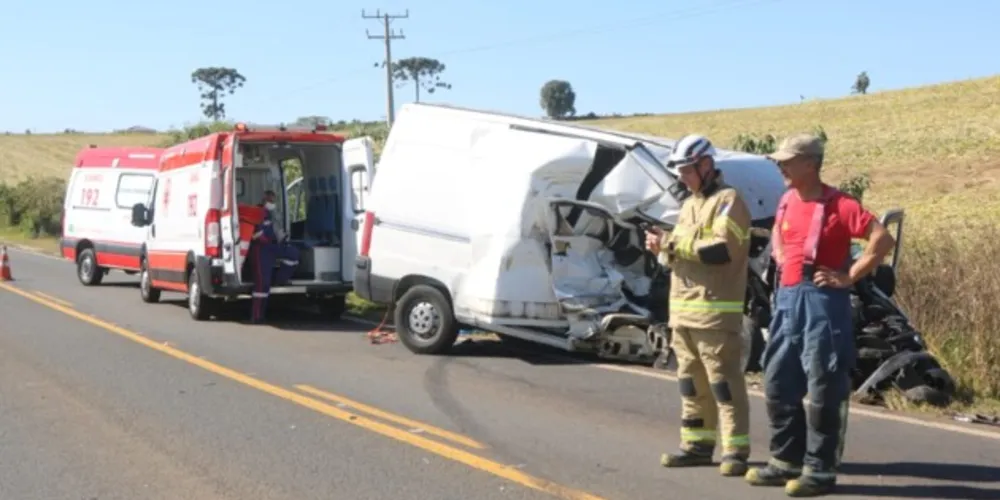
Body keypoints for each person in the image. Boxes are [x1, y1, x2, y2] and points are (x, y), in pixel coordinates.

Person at [744, 133, 895, 497]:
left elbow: (882, 240)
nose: (780, 167)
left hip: (824, 303)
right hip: (787, 300)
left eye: (787, 161)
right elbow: (780, 236)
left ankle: (820, 469)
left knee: (824, 385)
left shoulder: (840, 204)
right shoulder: (786, 201)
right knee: (778, 380)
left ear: (810, 164)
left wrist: (848, 277)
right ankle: (785, 460)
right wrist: (780, 255)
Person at [646, 134, 753, 477]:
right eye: (679, 170)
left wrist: (672, 242)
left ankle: (735, 449)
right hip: (684, 313)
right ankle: (696, 445)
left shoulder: (728, 200)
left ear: (706, 165)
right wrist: (661, 249)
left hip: (715, 313)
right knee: (690, 384)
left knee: (724, 383)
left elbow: (720, 250)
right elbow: (681, 255)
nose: (682, 177)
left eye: (687, 169)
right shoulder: (689, 204)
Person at [249, 190, 300, 323]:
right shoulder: (258, 213)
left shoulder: (270, 214)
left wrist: (280, 239)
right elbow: (255, 235)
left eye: (273, 201)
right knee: (262, 285)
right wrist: (268, 240)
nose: (273, 203)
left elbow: (273, 231)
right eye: (271, 201)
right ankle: (256, 316)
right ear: (264, 200)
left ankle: (279, 279)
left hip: (271, 248)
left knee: (293, 254)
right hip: (260, 251)